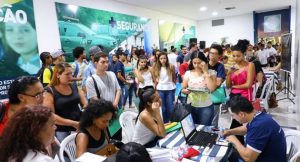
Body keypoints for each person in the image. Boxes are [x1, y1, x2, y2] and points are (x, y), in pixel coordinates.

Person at [223, 95, 286, 162]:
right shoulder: (259, 115)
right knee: (232, 154)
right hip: (272, 156)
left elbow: (249, 159)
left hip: (266, 159)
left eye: (233, 115)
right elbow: (246, 128)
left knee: (228, 157)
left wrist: (234, 140)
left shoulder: (258, 127)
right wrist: (230, 132)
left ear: (242, 114)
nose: (233, 118)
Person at [43, 62, 88, 142]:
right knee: (66, 153)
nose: (70, 77)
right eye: (67, 74)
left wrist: (85, 110)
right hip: (62, 131)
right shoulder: (49, 91)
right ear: (57, 75)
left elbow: (85, 103)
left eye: (71, 74)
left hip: (79, 126)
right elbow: (50, 115)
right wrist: (73, 123)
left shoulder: (74, 86)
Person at [225, 39, 256, 144]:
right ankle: (237, 144)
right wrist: (229, 74)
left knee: (245, 121)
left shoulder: (250, 65)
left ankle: (246, 144)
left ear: (243, 54)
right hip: (234, 96)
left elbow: (248, 84)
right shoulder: (232, 67)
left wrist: (235, 86)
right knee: (235, 119)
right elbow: (229, 86)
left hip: (245, 97)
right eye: (233, 56)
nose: (235, 58)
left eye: (238, 56)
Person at [0, 3, 39, 76]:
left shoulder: (43, 65)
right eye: (10, 30)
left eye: (25, 30)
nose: (17, 36)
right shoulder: (11, 64)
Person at [182, 51, 217, 125]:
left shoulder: (211, 73)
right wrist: (185, 91)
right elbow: (183, 88)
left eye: (199, 63)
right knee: (192, 129)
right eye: (194, 63)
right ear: (191, 62)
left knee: (204, 129)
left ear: (204, 62)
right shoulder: (188, 73)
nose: (197, 65)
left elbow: (212, 89)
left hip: (206, 107)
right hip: (190, 106)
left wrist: (206, 72)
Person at [153, 52, 176, 123]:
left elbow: (174, 77)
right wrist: (155, 88)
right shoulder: (156, 67)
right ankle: (165, 123)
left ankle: (171, 122)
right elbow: (155, 78)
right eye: (161, 58)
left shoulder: (171, 66)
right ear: (158, 59)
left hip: (170, 89)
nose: (163, 60)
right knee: (162, 108)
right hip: (160, 89)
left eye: (164, 58)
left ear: (167, 58)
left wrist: (174, 87)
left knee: (170, 108)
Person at [208, 44, 226, 128]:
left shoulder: (220, 66)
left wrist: (208, 83)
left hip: (214, 97)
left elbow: (218, 84)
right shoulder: (203, 64)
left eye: (215, 53)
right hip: (201, 97)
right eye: (211, 53)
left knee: (213, 121)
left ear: (219, 55)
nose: (212, 55)